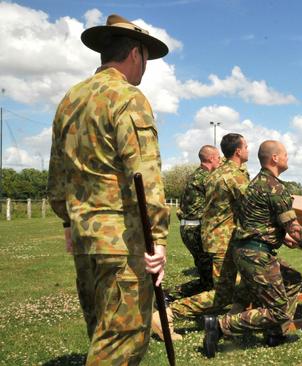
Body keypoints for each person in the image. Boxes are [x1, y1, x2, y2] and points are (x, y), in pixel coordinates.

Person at [47, 14, 169, 364]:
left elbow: (57, 175)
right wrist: (158, 237)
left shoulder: (70, 100)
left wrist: (68, 222)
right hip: (123, 242)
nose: (145, 68)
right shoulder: (128, 97)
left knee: (102, 330)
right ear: (135, 54)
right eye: (146, 59)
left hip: (86, 240)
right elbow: (143, 175)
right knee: (121, 343)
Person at [202, 140, 302, 357]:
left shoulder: (254, 183)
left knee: (292, 279)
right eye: (285, 154)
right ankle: (219, 326)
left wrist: (285, 239)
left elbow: (262, 222)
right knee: (279, 310)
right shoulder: (275, 187)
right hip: (257, 254)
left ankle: (275, 333)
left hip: (245, 250)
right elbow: (293, 226)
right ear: (275, 158)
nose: (287, 158)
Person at [152, 134, 250, 340]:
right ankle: (167, 314)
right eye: (246, 147)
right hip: (224, 240)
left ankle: (234, 321)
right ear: (238, 151)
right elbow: (251, 205)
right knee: (221, 294)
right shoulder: (234, 175)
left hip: (215, 238)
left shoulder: (215, 174)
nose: (248, 150)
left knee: (240, 282)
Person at [176, 145, 221, 293]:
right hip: (196, 230)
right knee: (209, 280)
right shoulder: (207, 178)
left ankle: (175, 293)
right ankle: (174, 294)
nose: (220, 161)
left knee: (205, 272)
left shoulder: (194, 176)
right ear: (211, 158)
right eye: (219, 158)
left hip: (187, 228)